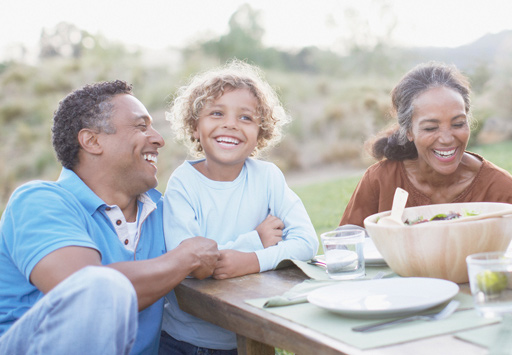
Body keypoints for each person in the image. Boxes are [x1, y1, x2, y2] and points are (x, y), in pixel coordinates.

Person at [0, 80, 220, 354]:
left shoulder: (162, 209)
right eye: (141, 126)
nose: (158, 139)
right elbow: (88, 297)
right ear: (92, 141)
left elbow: (217, 246)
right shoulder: (39, 202)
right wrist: (185, 258)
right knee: (100, 286)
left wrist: (261, 235)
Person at [159, 60, 318, 354]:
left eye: (246, 118)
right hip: (185, 340)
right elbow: (190, 264)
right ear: (195, 127)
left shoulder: (267, 177)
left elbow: (307, 242)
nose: (230, 124)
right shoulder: (183, 183)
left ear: (261, 132)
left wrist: (251, 261)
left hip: (248, 333)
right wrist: (254, 240)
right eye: (216, 113)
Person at [340, 61, 512, 228]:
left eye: (458, 124)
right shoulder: (380, 181)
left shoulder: (501, 188)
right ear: (408, 131)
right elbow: (346, 244)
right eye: (430, 128)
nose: (446, 139)